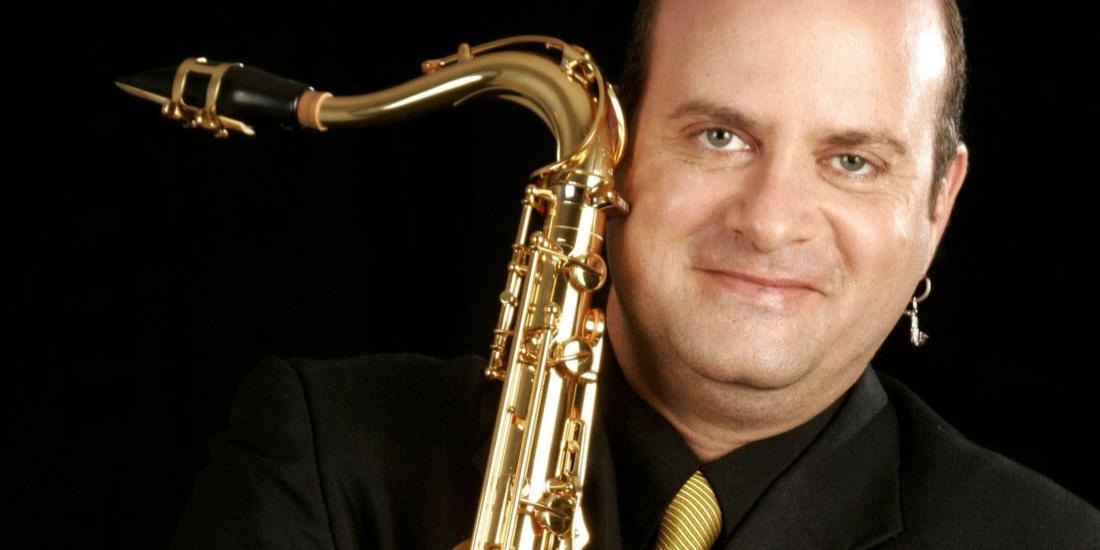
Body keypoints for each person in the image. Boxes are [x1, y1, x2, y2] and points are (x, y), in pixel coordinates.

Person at [171, 0, 1100, 548]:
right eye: (719, 136)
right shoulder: (327, 457)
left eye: (852, 160)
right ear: (612, 146)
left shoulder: (1047, 540)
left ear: (940, 202)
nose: (770, 221)